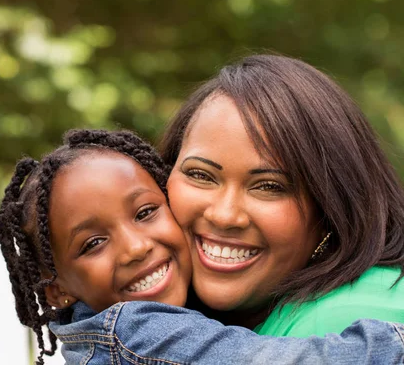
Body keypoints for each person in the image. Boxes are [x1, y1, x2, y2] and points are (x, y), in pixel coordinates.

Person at [0, 128, 404, 364]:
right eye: (94, 243)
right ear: (56, 290)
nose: (136, 247)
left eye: (144, 213)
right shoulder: (134, 331)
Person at [160, 54, 404, 335]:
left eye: (269, 186)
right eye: (200, 175)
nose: (224, 215)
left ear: (331, 209)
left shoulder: (347, 329)